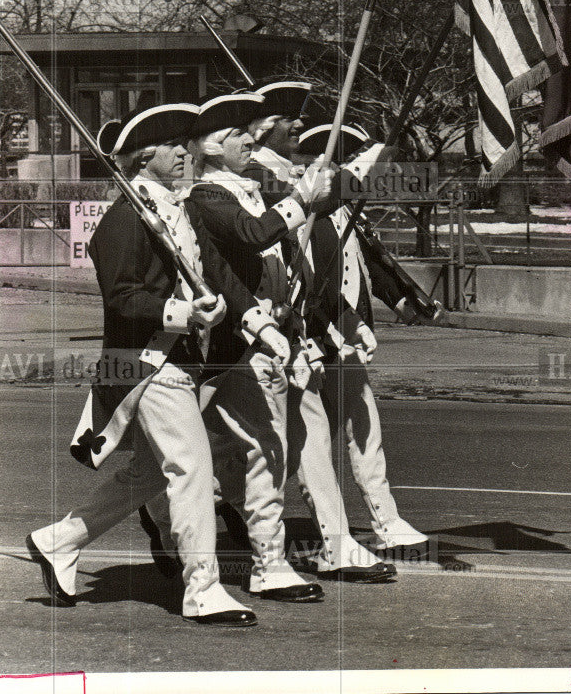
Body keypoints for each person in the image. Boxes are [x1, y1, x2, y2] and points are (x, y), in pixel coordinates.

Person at [27, 102, 286, 626]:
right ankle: (202, 589)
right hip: (144, 364)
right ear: (145, 158)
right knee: (191, 467)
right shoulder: (124, 218)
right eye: (172, 147)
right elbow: (121, 299)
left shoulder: (180, 209)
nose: (185, 153)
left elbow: (218, 275)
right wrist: (182, 311)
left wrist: (261, 324)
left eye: (185, 145)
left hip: (181, 362)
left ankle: (59, 540)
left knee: (147, 473)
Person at [143, 92, 333, 602]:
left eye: (252, 130)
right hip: (232, 346)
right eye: (236, 135)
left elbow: (288, 250)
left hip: (266, 336)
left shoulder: (251, 188)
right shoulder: (208, 195)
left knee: (227, 448)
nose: (251, 139)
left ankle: (153, 509)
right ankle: (267, 564)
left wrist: (353, 172)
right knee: (264, 450)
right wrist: (299, 202)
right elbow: (251, 237)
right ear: (209, 148)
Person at [247, 81, 396, 582]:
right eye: (290, 119)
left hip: (292, 329)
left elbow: (318, 254)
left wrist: (340, 321)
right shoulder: (256, 177)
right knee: (203, 454)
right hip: (241, 330)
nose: (297, 128)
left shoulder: (284, 173)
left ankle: (334, 543)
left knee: (297, 436)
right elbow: (276, 235)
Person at [296, 122, 435, 556]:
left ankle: (385, 519)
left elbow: (370, 265)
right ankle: (201, 501)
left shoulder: (348, 213)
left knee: (363, 428)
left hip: (346, 341)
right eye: (363, 163)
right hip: (312, 340)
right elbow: (310, 281)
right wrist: (341, 325)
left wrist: (402, 303)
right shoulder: (312, 216)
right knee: (285, 444)